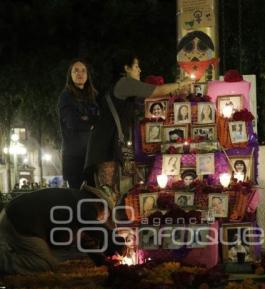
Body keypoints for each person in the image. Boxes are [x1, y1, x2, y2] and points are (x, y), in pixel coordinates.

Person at [84, 50, 192, 204]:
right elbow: (156, 91)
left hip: (106, 146)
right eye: (136, 66)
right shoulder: (124, 83)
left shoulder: (120, 86)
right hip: (104, 149)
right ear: (126, 68)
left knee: (110, 196)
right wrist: (182, 83)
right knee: (106, 196)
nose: (139, 70)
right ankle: (105, 227)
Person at [0, 185, 124, 274]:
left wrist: (102, 261)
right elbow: (93, 227)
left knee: (43, 258)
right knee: (45, 263)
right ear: (101, 204)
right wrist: (116, 243)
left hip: (15, 216)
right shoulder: (84, 203)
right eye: (105, 213)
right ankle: (3, 262)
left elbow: (87, 239)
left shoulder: (77, 201)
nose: (102, 217)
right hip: (21, 221)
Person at [58, 60, 99, 189]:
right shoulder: (66, 96)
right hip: (74, 155)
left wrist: (88, 119)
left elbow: (98, 119)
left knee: (93, 196)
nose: (80, 73)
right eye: (76, 70)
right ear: (70, 75)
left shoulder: (94, 96)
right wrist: (90, 123)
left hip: (91, 154)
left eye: (83, 70)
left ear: (88, 75)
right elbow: (72, 122)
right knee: (76, 197)